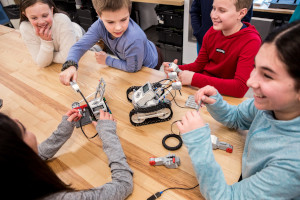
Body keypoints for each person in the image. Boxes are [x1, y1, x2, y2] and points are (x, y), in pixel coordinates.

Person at [176, 21, 300, 199]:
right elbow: (237, 118)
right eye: (255, 68)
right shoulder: (271, 106)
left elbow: (225, 197)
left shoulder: (292, 164)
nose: (250, 82)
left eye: (267, 75)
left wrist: (197, 142)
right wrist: (217, 102)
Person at [0, 109, 133, 199]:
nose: (16, 119)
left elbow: (27, 159)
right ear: (20, 153)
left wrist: (62, 131)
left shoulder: (11, 175)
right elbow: (123, 184)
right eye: (23, 129)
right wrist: (107, 133)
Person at [164, 0, 261, 98]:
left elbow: (239, 88)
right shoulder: (212, 32)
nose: (213, 15)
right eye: (214, 8)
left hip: (225, 98)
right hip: (201, 92)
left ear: (241, 13)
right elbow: (199, 65)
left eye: (222, 11)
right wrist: (176, 68)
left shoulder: (251, 41)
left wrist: (194, 78)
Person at [59, 0, 163, 86]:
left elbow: (133, 68)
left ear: (129, 10)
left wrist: (107, 60)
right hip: (137, 54)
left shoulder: (134, 39)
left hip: (151, 63)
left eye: (123, 19)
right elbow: (80, 46)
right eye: (110, 22)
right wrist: (70, 65)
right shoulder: (99, 26)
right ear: (99, 14)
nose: (118, 28)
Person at [19, 0, 85, 68]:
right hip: (57, 49)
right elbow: (41, 64)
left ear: (51, 10)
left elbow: (67, 58)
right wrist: (46, 42)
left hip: (78, 35)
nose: (41, 22)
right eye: (34, 18)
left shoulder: (62, 19)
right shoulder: (25, 27)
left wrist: (45, 57)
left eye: (45, 15)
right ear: (25, 15)